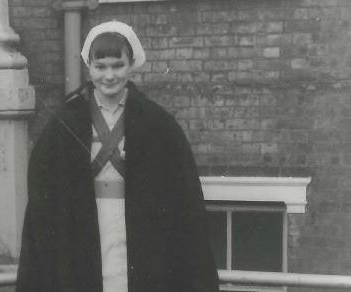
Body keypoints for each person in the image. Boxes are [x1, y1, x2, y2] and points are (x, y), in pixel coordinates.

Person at [17, 21, 219, 292]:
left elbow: (184, 200)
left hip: (140, 238)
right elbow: (44, 199)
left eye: (117, 65)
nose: (109, 76)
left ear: (131, 64)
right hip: (84, 236)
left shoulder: (158, 123)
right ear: (89, 68)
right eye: (100, 67)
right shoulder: (64, 122)